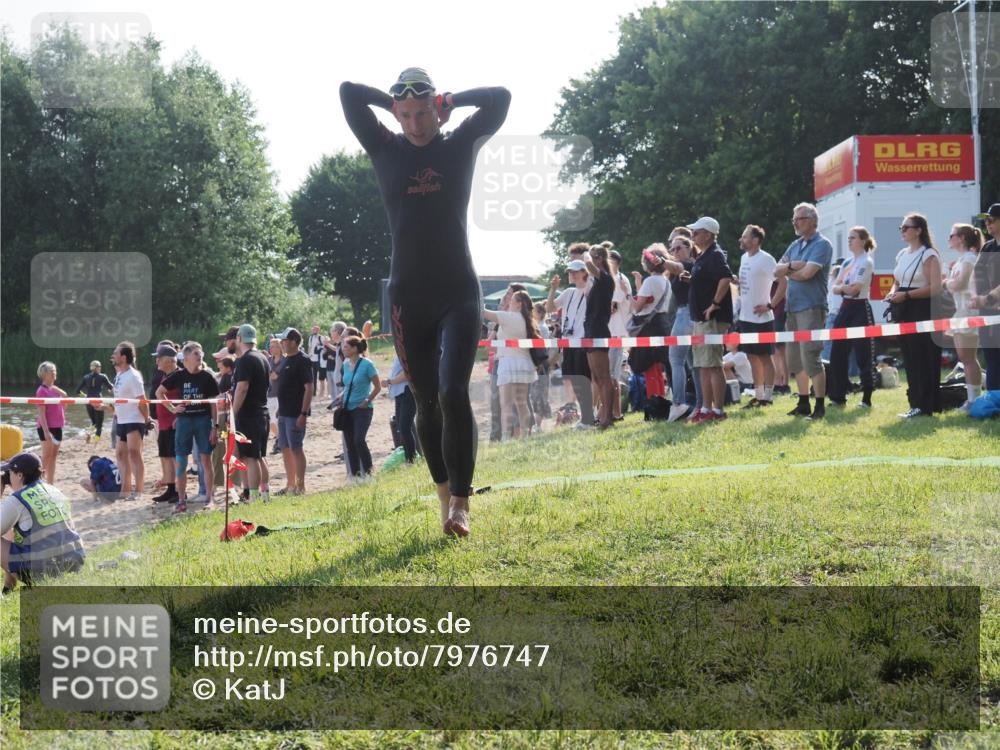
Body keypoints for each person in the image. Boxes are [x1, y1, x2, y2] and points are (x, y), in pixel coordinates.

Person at [341, 67, 510, 538]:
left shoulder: (458, 144)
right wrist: (388, 103)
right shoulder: (384, 146)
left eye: (423, 113)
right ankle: (442, 497)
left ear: (436, 109)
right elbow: (349, 93)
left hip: (458, 291)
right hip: (407, 298)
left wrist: (452, 100)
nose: (416, 124)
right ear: (397, 115)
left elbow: (500, 96)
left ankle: (462, 501)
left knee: (455, 393)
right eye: (407, 115)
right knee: (425, 402)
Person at [775, 202, 833, 420]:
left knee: (810, 357)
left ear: (812, 220)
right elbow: (776, 269)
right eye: (794, 219)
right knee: (794, 360)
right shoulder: (795, 245)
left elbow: (809, 273)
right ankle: (803, 402)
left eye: (799, 219)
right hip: (792, 308)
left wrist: (790, 269)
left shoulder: (822, 244)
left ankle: (819, 405)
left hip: (811, 307)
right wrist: (793, 266)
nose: (795, 223)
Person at [885, 212, 943, 418]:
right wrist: (893, 293)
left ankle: (925, 405)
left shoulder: (929, 255)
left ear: (918, 230)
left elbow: (935, 288)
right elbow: (897, 280)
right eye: (901, 227)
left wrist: (906, 295)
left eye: (905, 227)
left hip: (923, 309)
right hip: (904, 309)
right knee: (909, 357)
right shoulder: (902, 254)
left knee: (923, 358)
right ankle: (915, 403)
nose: (902, 231)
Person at [2, 452, 85, 591]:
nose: (8, 478)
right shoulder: (55, 491)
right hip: (75, 564)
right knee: (14, 531)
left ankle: (8, 590)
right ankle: (7, 588)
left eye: (9, 473)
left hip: (43, 573)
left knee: (9, 532)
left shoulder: (17, 499)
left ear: (19, 475)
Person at [157, 342, 220, 512]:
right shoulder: (179, 376)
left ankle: (209, 498)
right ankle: (181, 500)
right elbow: (158, 392)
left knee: (205, 460)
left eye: (201, 354)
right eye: (196, 354)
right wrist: (172, 408)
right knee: (181, 461)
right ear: (186, 358)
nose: (200, 356)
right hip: (184, 421)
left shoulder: (208, 377)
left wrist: (215, 426)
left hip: (203, 420)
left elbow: (214, 404)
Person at [686, 217, 734, 424]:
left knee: (713, 364)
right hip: (700, 318)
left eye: (696, 232)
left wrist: (715, 303)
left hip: (712, 318)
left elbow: (725, 277)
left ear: (708, 234)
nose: (693, 235)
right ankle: (705, 407)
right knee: (703, 365)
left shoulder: (714, 254)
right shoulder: (704, 256)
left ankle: (718, 409)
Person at [828, 227, 877, 408]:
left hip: (860, 308)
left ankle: (867, 397)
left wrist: (843, 288)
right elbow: (835, 287)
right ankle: (838, 395)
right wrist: (843, 288)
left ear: (863, 241)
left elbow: (856, 289)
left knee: (863, 353)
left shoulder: (866, 261)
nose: (849, 241)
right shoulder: (848, 262)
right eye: (848, 237)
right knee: (837, 353)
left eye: (853, 238)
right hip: (845, 308)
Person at [736, 225, 782, 408]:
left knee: (764, 356)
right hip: (745, 317)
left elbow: (783, 282)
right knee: (751, 356)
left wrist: (770, 305)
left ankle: (768, 397)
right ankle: (759, 395)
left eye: (745, 237)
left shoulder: (766, 259)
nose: (741, 239)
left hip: (762, 318)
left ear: (755, 240)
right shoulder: (743, 257)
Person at [483, 290, 538, 439]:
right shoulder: (528, 320)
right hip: (524, 364)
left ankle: (506, 438)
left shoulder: (508, 317)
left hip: (508, 363)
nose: (509, 302)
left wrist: (475, 298)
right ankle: (525, 436)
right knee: (522, 403)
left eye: (512, 299)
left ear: (519, 304)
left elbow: (484, 312)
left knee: (506, 404)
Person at [547, 260, 595, 429]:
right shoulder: (569, 292)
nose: (572, 274)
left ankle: (589, 416)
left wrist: (588, 263)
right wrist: (553, 288)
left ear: (584, 272)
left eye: (575, 271)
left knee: (584, 380)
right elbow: (550, 308)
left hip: (582, 341)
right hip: (569, 341)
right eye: (570, 271)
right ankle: (585, 417)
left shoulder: (590, 289)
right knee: (575, 380)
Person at [105, 341, 151, 501]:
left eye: (116, 353)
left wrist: (146, 419)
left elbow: (142, 400)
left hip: (134, 418)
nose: (113, 356)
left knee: (134, 453)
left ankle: (138, 491)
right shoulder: (119, 375)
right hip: (121, 419)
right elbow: (119, 399)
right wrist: (111, 410)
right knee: (120, 454)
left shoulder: (133, 375)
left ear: (123, 357)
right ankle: (125, 489)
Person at [231, 324, 272, 503]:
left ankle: (254, 497)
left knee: (251, 457)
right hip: (262, 411)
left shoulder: (245, 360)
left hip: (249, 414)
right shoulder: (262, 357)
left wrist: (232, 412)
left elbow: (242, 388)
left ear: (240, 338)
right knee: (258, 456)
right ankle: (264, 494)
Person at [945, 224, 983, 411]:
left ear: (961, 238)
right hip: (962, 311)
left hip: (969, 312)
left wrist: (947, 282)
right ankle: (975, 393)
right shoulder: (963, 259)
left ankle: (974, 400)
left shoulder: (969, 258)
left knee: (967, 358)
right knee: (966, 358)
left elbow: (959, 284)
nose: (949, 239)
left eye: (951, 235)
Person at [273, 327, 313, 495]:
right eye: (281, 341)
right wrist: (280, 409)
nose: (282, 343)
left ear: (294, 342)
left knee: (296, 448)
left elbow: (309, 388)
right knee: (285, 448)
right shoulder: (286, 359)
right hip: (284, 412)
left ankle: (300, 486)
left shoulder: (302, 360)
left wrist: (303, 413)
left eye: (285, 340)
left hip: (295, 413)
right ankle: (290, 484)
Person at [336, 335, 381, 479]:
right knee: (350, 443)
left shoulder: (367, 364)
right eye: (343, 346)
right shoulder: (345, 364)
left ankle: (369, 473)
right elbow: (348, 385)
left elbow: (377, 386)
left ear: (355, 348)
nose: (343, 349)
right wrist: (341, 396)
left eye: (346, 347)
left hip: (363, 409)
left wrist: (367, 400)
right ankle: (354, 476)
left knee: (359, 440)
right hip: (347, 408)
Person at [663, 236, 697, 421]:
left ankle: (678, 403)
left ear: (689, 248)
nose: (675, 252)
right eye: (672, 249)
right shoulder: (686, 267)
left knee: (675, 359)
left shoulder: (688, 266)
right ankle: (699, 404)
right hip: (686, 315)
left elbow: (677, 267)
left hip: (686, 315)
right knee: (693, 364)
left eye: (678, 248)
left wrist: (660, 260)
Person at [583, 244, 617, 429]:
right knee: (596, 377)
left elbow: (588, 266)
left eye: (595, 256)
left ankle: (608, 418)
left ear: (600, 259)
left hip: (598, 330)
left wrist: (586, 254)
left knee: (603, 377)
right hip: (590, 329)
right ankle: (604, 416)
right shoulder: (597, 281)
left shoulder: (605, 278)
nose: (591, 260)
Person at [970, 203, 1000, 392]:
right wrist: (975, 297)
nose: (987, 224)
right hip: (987, 312)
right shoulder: (988, 246)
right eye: (986, 220)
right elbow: (975, 274)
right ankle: (993, 402)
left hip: (991, 305)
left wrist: (988, 298)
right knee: (991, 359)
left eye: (992, 220)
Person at [150, 344, 180, 504]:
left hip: (173, 424)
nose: (157, 361)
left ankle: (179, 491)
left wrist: (175, 412)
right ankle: (170, 489)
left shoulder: (179, 375)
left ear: (169, 360)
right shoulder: (165, 376)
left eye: (159, 358)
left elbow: (186, 399)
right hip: (163, 424)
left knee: (175, 458)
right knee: (165, 456)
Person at [607, 248, 633, 422]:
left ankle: (615, 413)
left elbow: (611, 307)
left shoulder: (617, 280)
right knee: (610, 376)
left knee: (611, 376)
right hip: (614, 332)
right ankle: (612, 412)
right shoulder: (618, 279)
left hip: (614, 333)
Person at [34, 361, 66, 484]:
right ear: (44, 374)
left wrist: (54, 387)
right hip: (46, 428)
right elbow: (41, 413)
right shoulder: (41, 391)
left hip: (58, 427)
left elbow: (65, 397)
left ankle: (50, 484)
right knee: (46, 457)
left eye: (54, 370)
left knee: (53, 457)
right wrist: (46, 431)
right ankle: (36, 483)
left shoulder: (54, 389)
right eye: (51, 371)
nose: (54, 372)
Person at [383, 355, 419, 464]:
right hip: (400, 393)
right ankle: (409, 458)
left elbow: (407, 373)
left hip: (407, 391)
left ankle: (411, 459)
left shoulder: (405, 350)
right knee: (401, 426)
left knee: (404, 427)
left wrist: (390, 381)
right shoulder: (399, 351)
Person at [529, 302, 554, 431]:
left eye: (533, 311)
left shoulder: (541, 327)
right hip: (539, 362)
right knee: (536, 393)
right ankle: (538, 424)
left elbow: (540, 348)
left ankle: (538, 425)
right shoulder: (539, 326)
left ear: (539, 313)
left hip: (540, 362)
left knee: (539, 393)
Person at [77, 361, 113, 443]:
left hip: (89, 401)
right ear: (98, 368)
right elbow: (111, 387)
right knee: (99, 425)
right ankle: (96, 441)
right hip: (98, 401)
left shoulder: (86, 377)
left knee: (93, 422)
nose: (100, 368)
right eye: (99, 366)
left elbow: (78, 391)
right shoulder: (103, 376)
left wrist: (85, 396)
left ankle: (88, 434)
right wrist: (110, 390)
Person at [266, 335, 285, 453]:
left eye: (273, 346)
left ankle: (279, 441)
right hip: (269, 393)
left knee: (278, 419)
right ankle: (279, 438)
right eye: (270, 347)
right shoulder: (268, 361)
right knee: (269, 420)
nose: (271, 349)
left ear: (279, 348)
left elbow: (277, 376)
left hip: (281, 394)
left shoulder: (284, 360)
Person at [325, 322, 348, 409]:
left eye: (332, 331)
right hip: (341, 383)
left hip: (344, 383)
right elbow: (337, 350)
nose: (330, 333)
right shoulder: (340, 344)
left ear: (337, 332)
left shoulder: (344, 345)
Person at [308, 325, 328, 400]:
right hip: (312, 359)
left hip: (319, 359)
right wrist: (309, 355)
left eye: (315, 330)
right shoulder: (310, 337)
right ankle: (314, 392)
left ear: (318, 330)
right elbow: (310, 347)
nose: (314, 331)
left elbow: (325, 346)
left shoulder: (321, 337)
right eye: (313, 330)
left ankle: (324, 392)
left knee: (322, 377)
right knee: (313, 376)